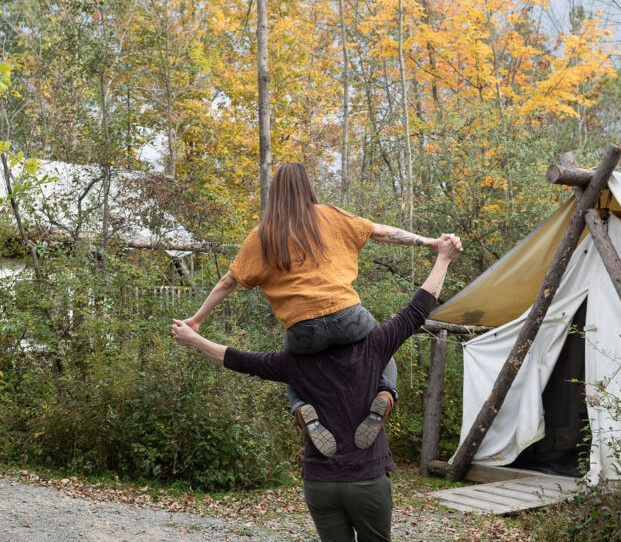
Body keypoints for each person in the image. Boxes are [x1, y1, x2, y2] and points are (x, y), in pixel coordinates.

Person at [172, 234, 462, 542]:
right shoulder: (373, 346)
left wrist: (194, 338)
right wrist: (442, 257)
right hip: (368, 474)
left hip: (320, 480)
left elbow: (239, 359)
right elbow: (418, 308)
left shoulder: (296, 364)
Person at [184, 162, 454, 455]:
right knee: (383, 350)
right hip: (349, 319)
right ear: (308, 187)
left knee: (292, 366)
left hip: (304, 332)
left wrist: (197, 319)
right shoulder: (331, 216)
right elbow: (382, 232)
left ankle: (301, 409)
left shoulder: (262, 235)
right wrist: (430, 243)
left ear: (274, 194)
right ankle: (386, 395)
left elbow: (227, 281)